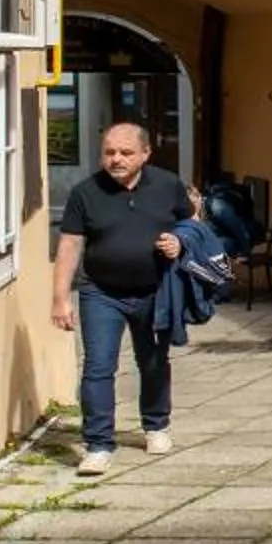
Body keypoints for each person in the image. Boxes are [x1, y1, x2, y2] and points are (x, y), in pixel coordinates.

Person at [53, 121, 191, 474]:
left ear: (146, 154)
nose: (116, 159)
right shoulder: (86, 192)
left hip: (155, 290)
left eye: (125, 152)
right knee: (98, 367)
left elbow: (191, 223)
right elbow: (69, 243)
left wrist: (180, 243)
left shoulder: (167, 185)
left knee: (153, 362)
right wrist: (60, 298)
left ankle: (156, 425)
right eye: (109, 152)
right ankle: (98, 445)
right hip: (101, 292)